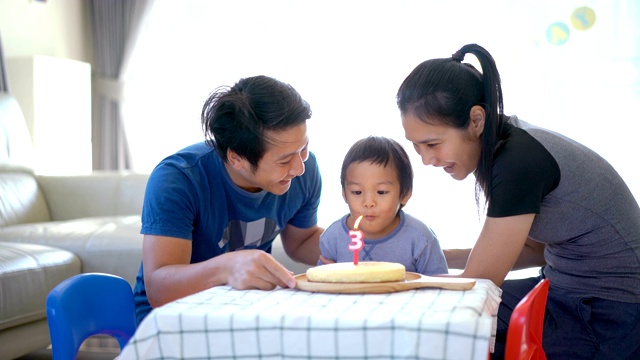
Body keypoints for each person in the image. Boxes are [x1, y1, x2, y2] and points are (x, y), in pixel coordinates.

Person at [396, 44, 640, 359]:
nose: (427, 159)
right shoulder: (503, 142)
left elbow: (479, 280)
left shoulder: (516, 163)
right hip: (562, 286)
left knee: (446, 333)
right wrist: (432, 256)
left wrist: (411, 276)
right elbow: (534, 251)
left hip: (608, 311)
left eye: (433, 143)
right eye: (416, 146)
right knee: (434, 324)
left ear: (476, 119)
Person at [133, 75, 324, 325]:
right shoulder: (178, 179)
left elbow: (301, 241)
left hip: (244, 309)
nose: (299, 167)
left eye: (304, 149)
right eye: (284, 160)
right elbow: (160, 289)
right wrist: (226, 268)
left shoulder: (303, 171)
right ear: (236, 158)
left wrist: (363, 241)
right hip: (171, 319)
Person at [319, 136, 448, 276]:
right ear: (344, 194)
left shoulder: (420, 238)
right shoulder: (332, 237)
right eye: (357, 192)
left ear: (404, 193)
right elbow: (321, 285)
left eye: (381, 192)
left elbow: (439, 287)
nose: (368, 202)